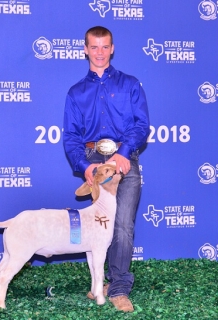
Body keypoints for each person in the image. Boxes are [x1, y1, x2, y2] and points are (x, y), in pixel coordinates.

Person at [63, 26, 150, 312]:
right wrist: (85, 166)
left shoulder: (131, 84)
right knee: (102, 227)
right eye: (94, 47)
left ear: (112, 48)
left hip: (124, 161)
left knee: (123, 225)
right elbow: (71, 137)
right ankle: (102, 281)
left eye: (105, 47)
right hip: (94, 164)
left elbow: (141, 125)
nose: (99, 53)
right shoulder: (76, 93)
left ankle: (119, 287)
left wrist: (124, 153)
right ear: (85, 49)